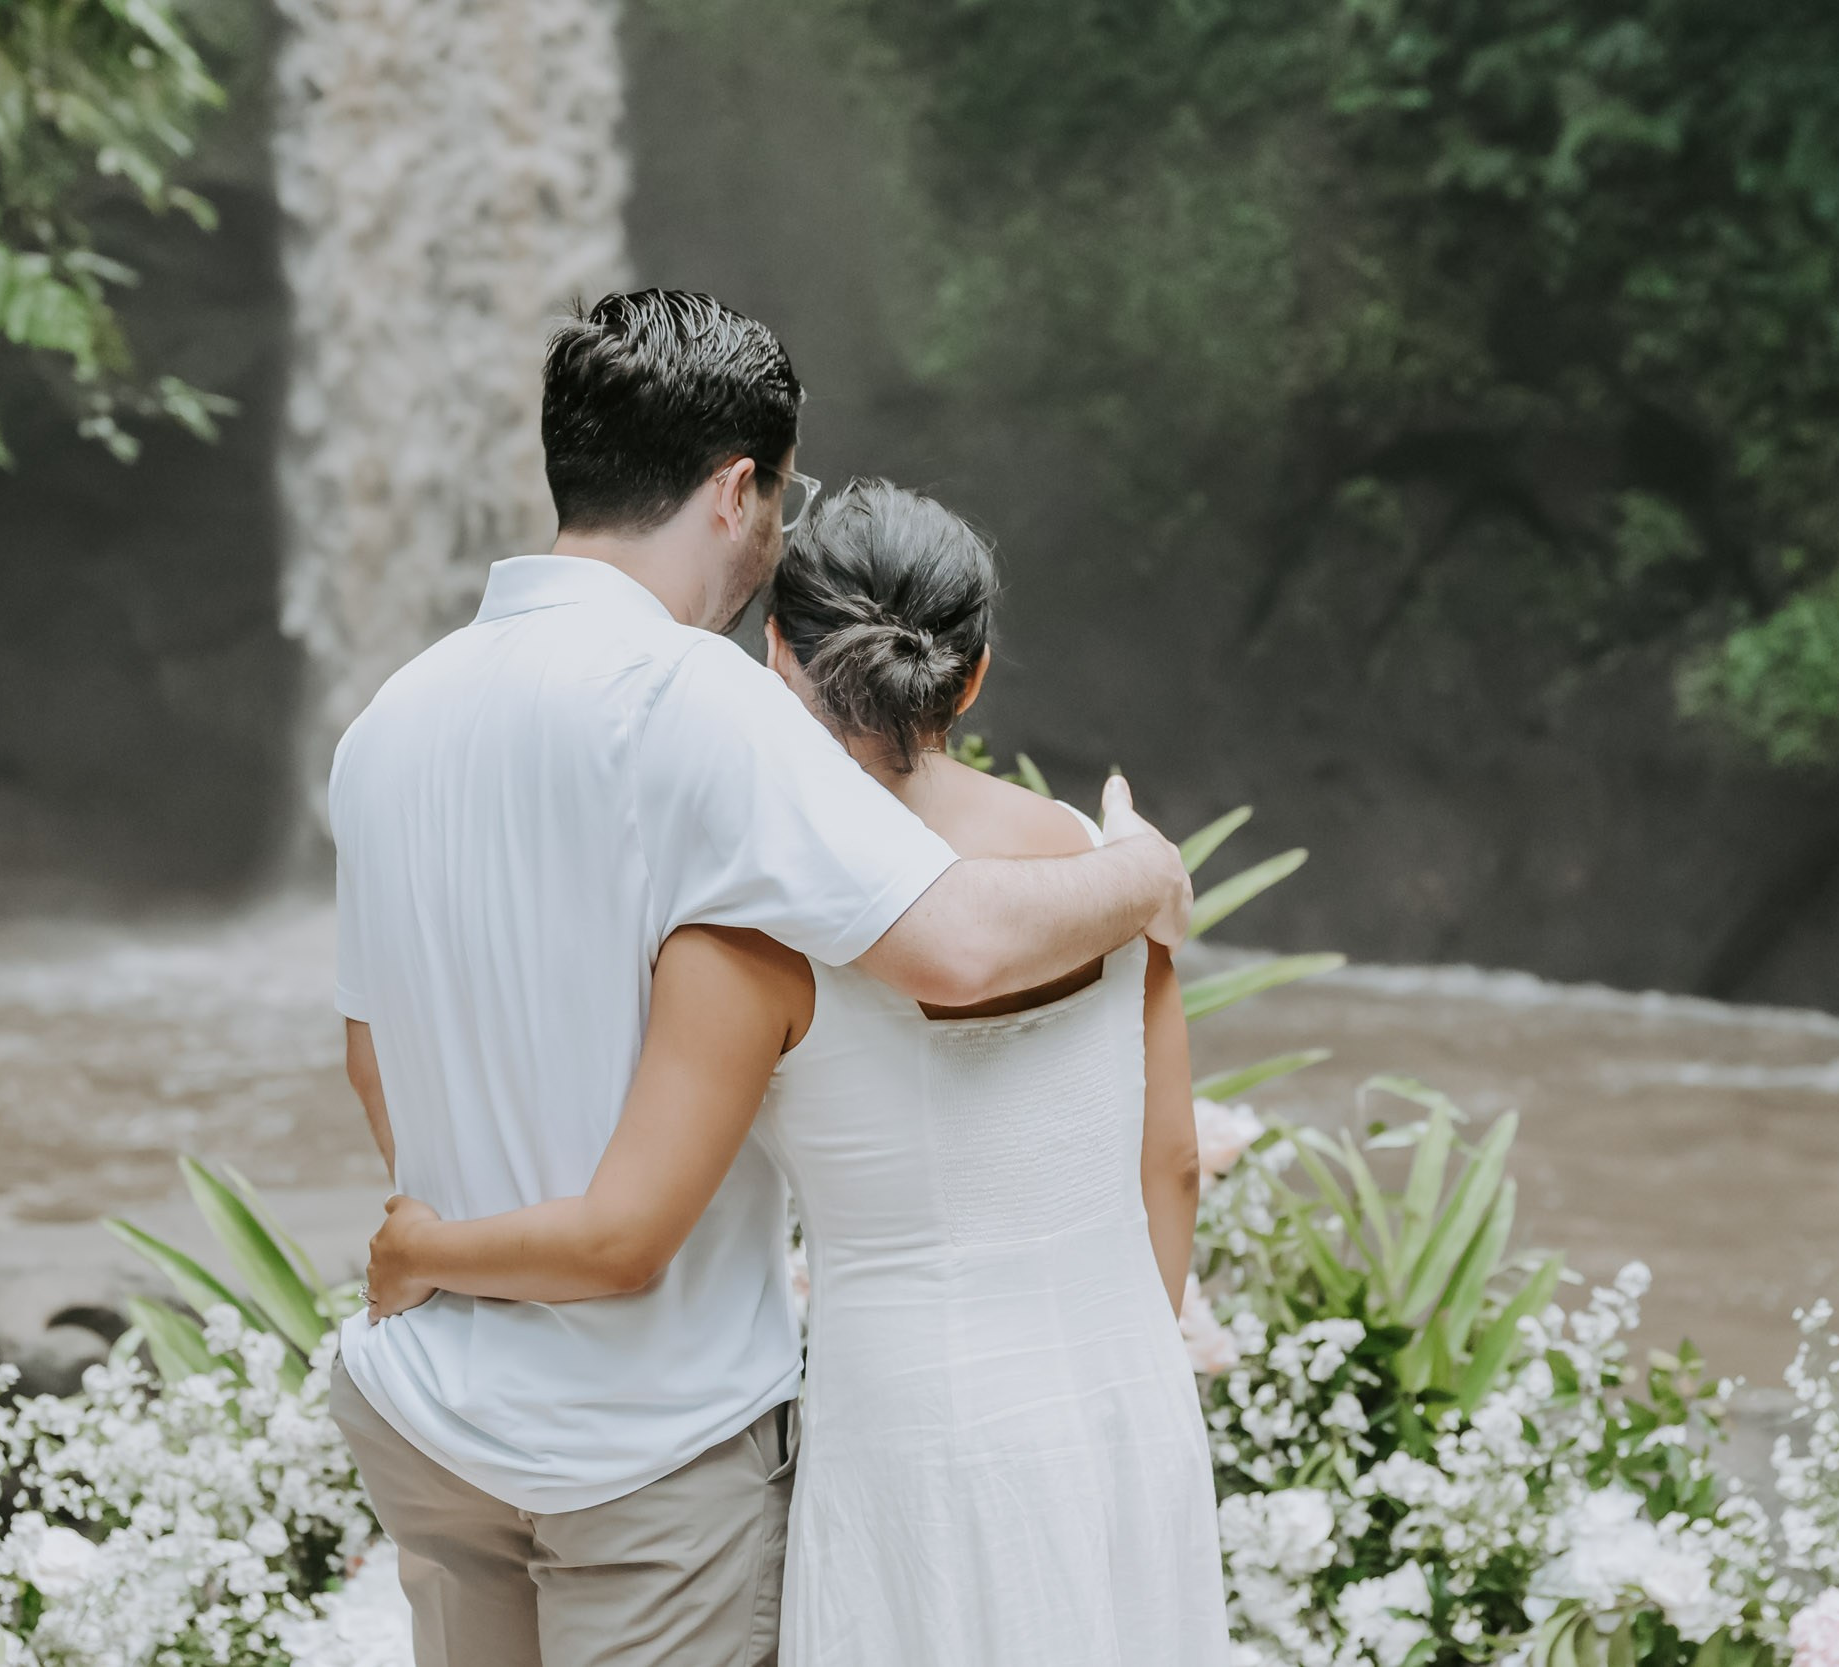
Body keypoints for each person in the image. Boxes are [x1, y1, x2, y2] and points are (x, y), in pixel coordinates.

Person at [326, 291, 1194, 1667]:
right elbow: (960, 945)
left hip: (432, 1414)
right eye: (779, 502)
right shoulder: (702, 700)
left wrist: (453, 1234)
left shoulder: (385, 724)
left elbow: (377, 1058)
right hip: (644, 1439)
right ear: (735, 489)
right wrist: (1144, 876)